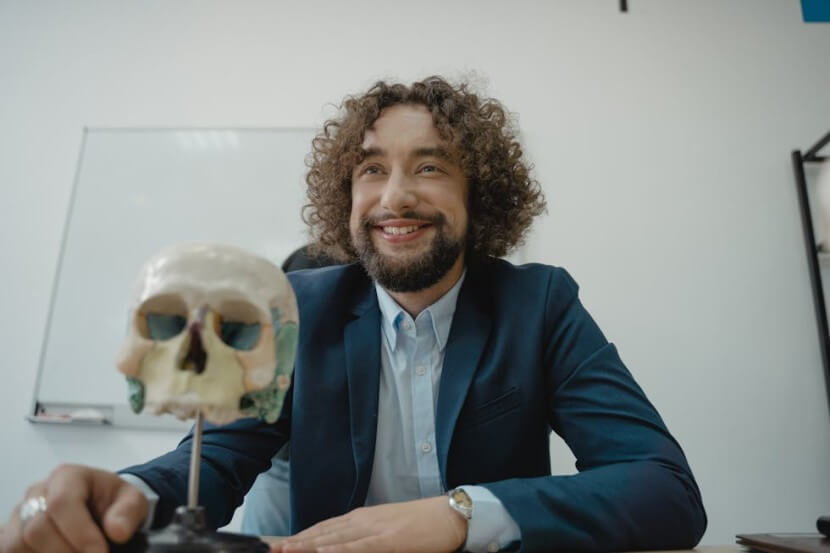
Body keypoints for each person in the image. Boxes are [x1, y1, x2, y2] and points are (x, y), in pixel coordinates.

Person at [0, 76, 706, 553]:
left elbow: (664, 488)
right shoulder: (300, 307)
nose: (394, 196)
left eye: (429, 167)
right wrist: (121, 493)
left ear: (479, 197)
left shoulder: (541, 303)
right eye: (371, 169)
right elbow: (215, 455)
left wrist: (458, 516)